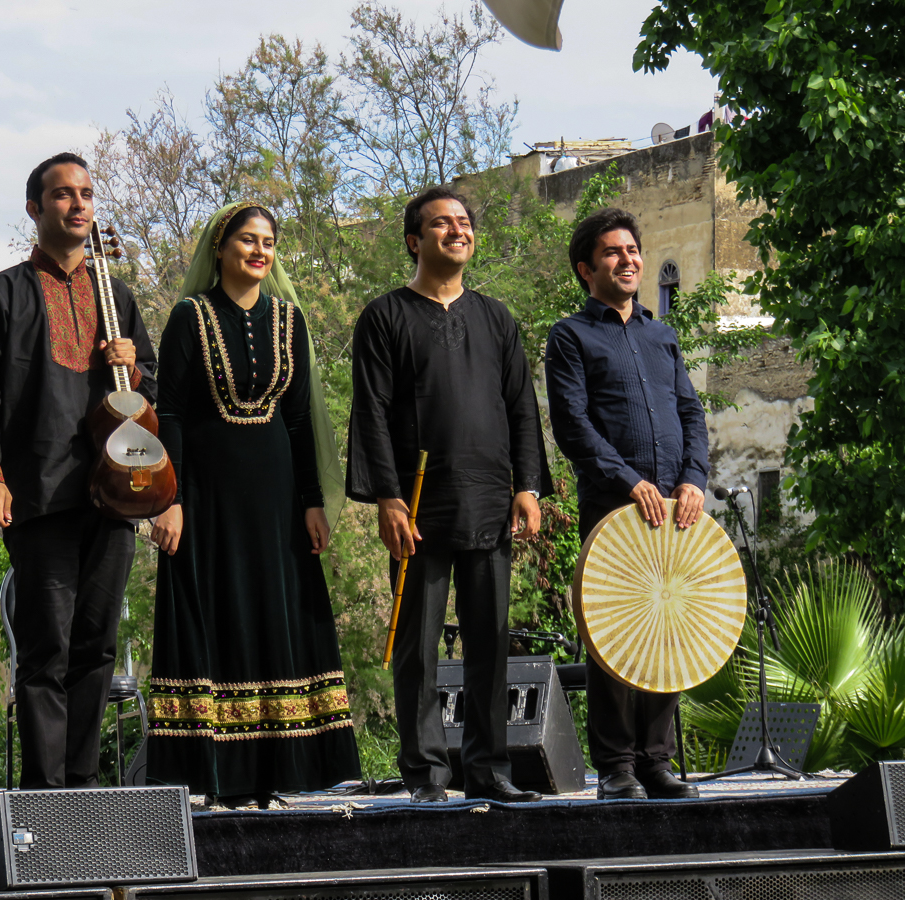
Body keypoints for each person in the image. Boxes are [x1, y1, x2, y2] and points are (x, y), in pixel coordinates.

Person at [144, 201, 361, 807]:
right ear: (220, 247)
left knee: (275, 616)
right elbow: (176, 414)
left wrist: (313, 503)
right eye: (247, 240)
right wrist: (172, 498)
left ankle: (274, 772)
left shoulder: (289, 320)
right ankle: (219, 776)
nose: (259, 251)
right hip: (207, 500)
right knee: (215, 614)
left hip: (275, 501)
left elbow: (297, 420)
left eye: (268, 241)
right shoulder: (191, 316)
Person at [0, 152, 156, 789]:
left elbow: (153, 396)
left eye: (86, 194)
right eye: (63, 194)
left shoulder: (118, 297)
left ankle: (84, 789)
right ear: (34, 208)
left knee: (97, 646)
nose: (77, 204)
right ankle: (47, 796)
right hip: (40, 493)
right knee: (49, 650)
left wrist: (135, 364)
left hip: (114, 494)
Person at [347, 186, 551, 804]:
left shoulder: (495, 317)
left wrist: (528, 487)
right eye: (442, 224)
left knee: (490, 644)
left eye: (464, 222)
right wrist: (386, 499)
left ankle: (488, 771)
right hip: (416, 507)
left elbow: (520, 407)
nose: (458, 231)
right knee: (418, 650)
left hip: (491, 499)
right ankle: (427, 776)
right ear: (415, 240)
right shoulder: (384, 317)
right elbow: (373, 414)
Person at [545, 207, 708, 801]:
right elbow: (573, 425)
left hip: (677, 511)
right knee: (615, 635)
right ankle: (616, 768)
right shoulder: (570, 336)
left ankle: (656, 762)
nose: (629, 259)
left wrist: (693, 478)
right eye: (613, 253)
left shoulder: (662, 335)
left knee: (670, 630)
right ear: (587, 269)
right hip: (614, 511)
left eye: (633, 250)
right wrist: (627, 479)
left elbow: (690, 412)